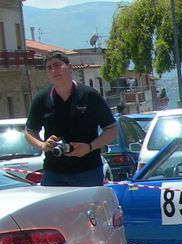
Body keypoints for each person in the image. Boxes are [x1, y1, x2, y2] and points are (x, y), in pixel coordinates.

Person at [24, 51, 116, 187]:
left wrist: (89, 147)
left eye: (57, 65)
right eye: (49, 68)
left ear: (70, 67)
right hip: (53, 173)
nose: (54, 70)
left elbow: (111, 130)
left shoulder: (90, 95)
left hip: (88, 171)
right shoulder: (41, 99)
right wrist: (42, 145)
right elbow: (29, 132)